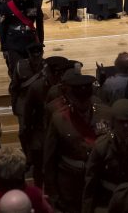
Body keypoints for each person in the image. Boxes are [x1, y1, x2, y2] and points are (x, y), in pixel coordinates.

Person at [42, 74, 111, 213]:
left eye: (86, 100)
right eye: (78, 100)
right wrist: (52, 191)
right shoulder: (59, 119)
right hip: (70, 182)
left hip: (99, 178)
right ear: (71, 98)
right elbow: (50, 158)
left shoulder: (105, 113)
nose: (82, 104)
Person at [82, 99, 128, 212]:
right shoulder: (102, 146)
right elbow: (91, 184)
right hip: (107, 202)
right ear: (113, 122)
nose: (126, 126)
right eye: (121, 122)